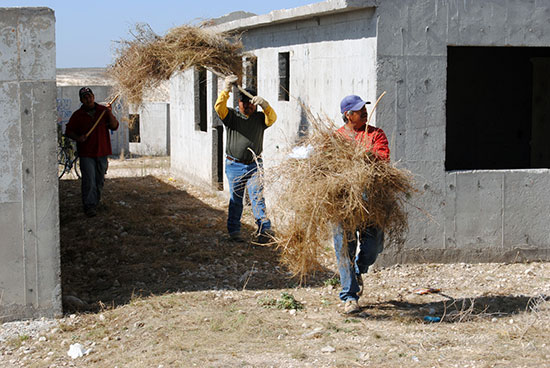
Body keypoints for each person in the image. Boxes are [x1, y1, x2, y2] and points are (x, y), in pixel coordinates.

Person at [334, 94, 390, 314]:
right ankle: (349, 296)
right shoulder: (336, 139)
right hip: (342, 202)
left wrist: (365, 156)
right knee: (343, 249)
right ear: (348, 115)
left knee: (373, 247)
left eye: (364, 109)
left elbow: (383, 157)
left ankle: (360, 268)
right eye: (359, 110)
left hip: (371, 202)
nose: (364, 112)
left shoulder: (376, 134)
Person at [214, 75, 277, 243]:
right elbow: (219, 108)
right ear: (239, 102)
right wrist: (226, 89)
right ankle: (234, 230)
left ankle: (264, 229)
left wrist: (265, 105)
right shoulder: (232, 116)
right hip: (235, 165)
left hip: (255, 165)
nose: (248, 106)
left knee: (257, 198)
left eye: (251, 103)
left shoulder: (259, 119)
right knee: (236, 199)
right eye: (244, 102)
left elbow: (272, 118)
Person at [65, 87, 119, 217]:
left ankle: (96, 202)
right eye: (85, 97)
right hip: (86, 154)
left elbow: (114, 126)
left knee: (99, 179)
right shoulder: (77, 115)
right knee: (89, 180)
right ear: (81, 100)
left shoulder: (103, 111)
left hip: (102, 152)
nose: (88, 99)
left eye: (89, 96)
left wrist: (109, 113)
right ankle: (89, 206)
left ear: (93, 96)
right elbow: (68, 132)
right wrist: (78, 138)